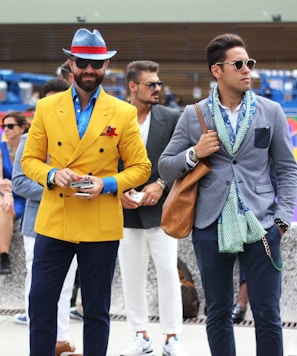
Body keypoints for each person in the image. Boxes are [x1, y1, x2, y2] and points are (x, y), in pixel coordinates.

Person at [158, 33, 297, 356]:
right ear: (217, 71)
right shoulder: (194, 115)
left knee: (267, 314)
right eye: (239, 64)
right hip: (209, 225)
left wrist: (282, 219)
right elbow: (165, 167)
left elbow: (288, 169)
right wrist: (194, 152)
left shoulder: (271, 111)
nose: (247, 69)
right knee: (218, 311)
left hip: (262, 225)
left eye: (249, 63)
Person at [21, 28, 151, 356]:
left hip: (100, 221)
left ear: (106, 65)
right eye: (83, 62)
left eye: (97, 63)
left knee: (96, 309)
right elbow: (29, 161)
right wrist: (52, 174)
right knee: (40, 303)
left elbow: (141, 168)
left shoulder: (123, 112)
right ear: (71, 64)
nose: (90, 70)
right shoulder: (47, 107)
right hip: (55, 221)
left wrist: (105, 185)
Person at [118, 60, 187, 356]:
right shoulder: (115, 115)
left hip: (162, 210)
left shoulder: (172, 117)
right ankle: (141, 335)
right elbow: (103, 159)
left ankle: (172, 338)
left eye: (159, 83)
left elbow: (183, 159)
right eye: (151, 84)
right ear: (132, 86)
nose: (158, 88)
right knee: (130, 274)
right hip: (124, 210)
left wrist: (160, 184)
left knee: (168, 272)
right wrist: (117, 190)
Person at [12, 78, 82, 356]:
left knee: (66, 287)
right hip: (37, 224)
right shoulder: (30, 139)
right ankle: (41, 342)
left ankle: (61, 340)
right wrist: (55, 188)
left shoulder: (80, 137)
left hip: (74, 221)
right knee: (39, 289)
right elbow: (19, 182)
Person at [0, 111, 29, 274]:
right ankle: (4, 256)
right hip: (4, 194)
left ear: (22, 128)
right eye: (4, 126)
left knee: (5, 208)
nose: (6, 130)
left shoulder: (30, 149)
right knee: (4, 206)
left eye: (10, 126)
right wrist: (6, 193)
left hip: (23, 197)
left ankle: (4, 257)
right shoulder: (1, 148)